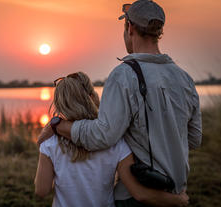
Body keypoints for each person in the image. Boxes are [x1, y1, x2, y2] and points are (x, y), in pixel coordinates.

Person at [38, 0, 202, 205]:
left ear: (130, 27)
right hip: (176, 192)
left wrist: (58, 125)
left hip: (137, 196)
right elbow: (194, 139)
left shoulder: (124, 75)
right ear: (159, 32)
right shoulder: (184, 78)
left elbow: (103, 136)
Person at [35, 72, 189, 207]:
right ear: (92, 97)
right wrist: (178, 200)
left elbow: (41, 191)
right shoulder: (115, 142)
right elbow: (138, 193)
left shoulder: (50, 144)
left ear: (60, 104)